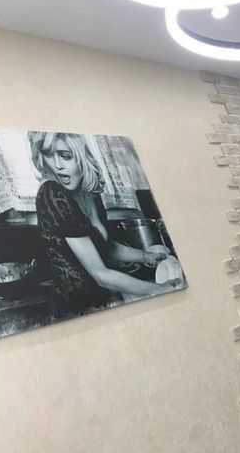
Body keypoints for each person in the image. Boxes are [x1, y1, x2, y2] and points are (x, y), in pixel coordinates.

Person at [29, 132, 177, 316]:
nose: (57, 165)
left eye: (66, 156)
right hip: (78, 309)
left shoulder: (89, 194)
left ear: (82, 158)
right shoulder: (52, 194)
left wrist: (145, 256)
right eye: (49, 156)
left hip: (104, 298)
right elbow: (100, 275)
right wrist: (158, 289)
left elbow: (105, 247)